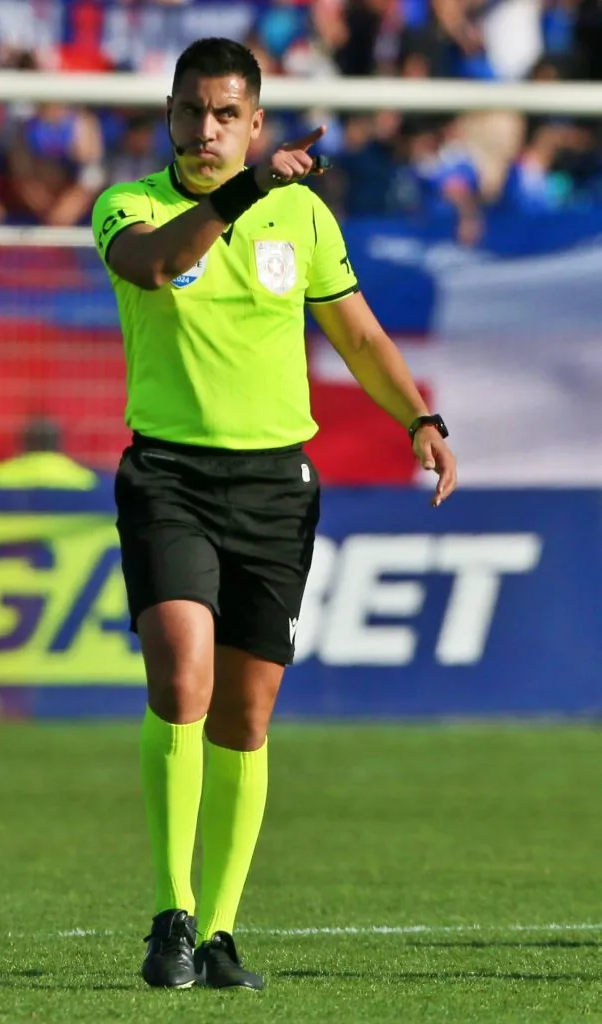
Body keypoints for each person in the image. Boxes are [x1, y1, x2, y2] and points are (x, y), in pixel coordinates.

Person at [91, 36, 458, 992]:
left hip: (273, 488)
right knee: (183, 682)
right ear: (168, 117)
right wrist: (242, 193)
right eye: (189, 111)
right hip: (167, 474)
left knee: (246, 718)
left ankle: (218, 936)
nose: (204, 129)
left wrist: (416, 415)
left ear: (254, 122)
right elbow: (160, 265)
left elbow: (361, 333)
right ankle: (169, 917)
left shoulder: (301, 216)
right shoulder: (129, 206)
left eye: (224, 115)